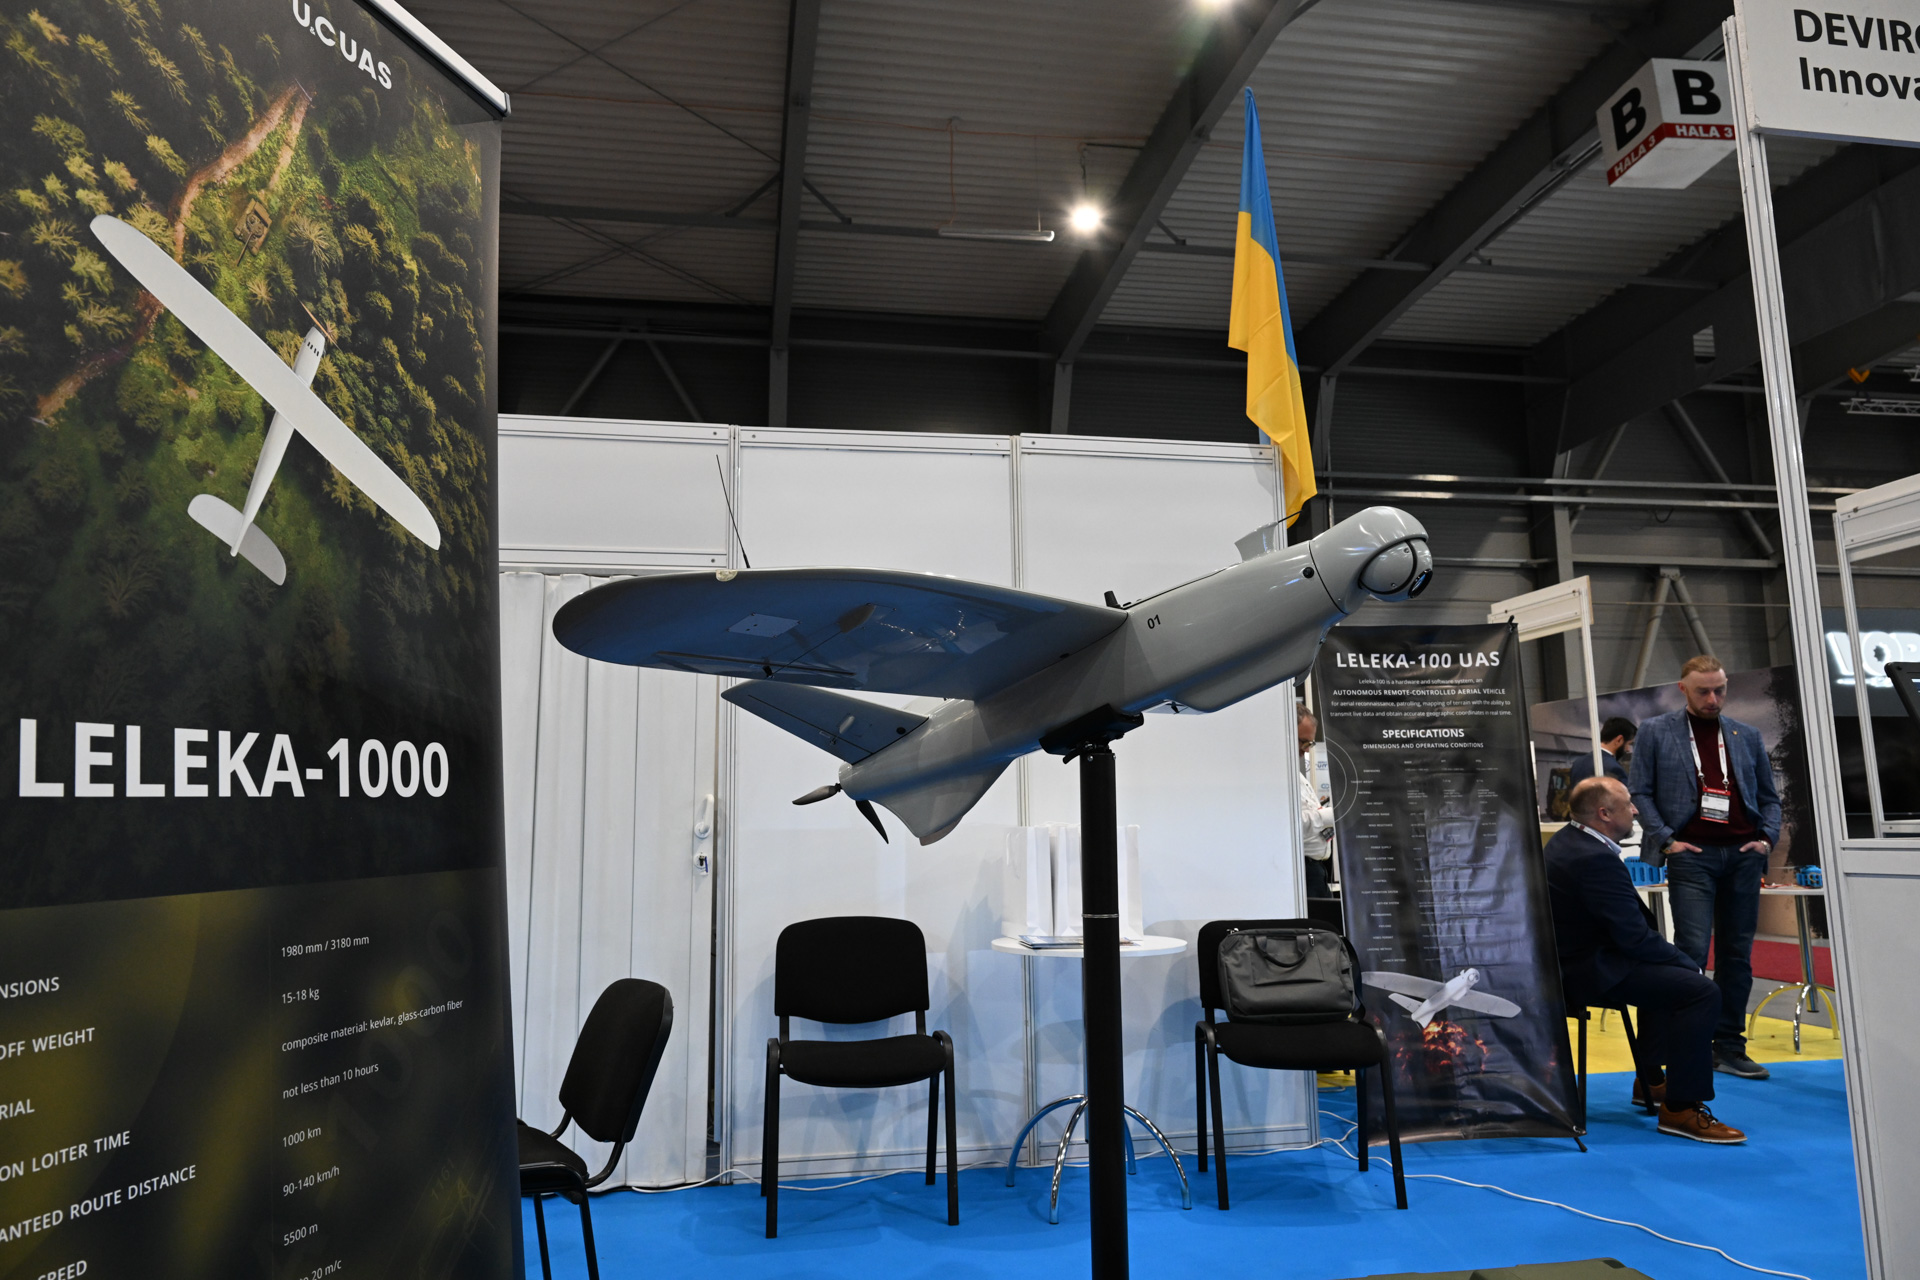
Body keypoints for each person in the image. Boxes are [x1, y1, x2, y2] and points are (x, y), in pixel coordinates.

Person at [1545, 777, 1745, 1143]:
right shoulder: (1593, 858)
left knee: (1667, 976)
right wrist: (1686, 962)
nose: (1636, 810)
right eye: (1628, 804)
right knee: (1699, 991)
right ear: (1605, 814)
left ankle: (1650, 1080)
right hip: (1589, 971)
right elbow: (1634, 938)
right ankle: (1681, 1108)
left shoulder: (1568, 841)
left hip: (1575, 961)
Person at [1628, 656, 1780, 1081]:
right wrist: (1668, 841)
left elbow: (1769, 797)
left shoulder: (1746, 735)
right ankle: (1681, 1047)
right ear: (1683, 689)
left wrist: (1766, 839)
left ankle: (1728, 1045)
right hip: (1692, 856)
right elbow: (1640, 791)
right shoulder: (1657, 731)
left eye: (1720, 690)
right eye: (1703, 691)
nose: (1713, 698)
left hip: (1743, 855)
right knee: (1690, 953)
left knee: (1736, 955)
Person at [1297, 709, 1335, 898]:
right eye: (1303, 742)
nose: (1306, 749)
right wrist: (1328, 816)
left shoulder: (1297, 777)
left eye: (1310, 743)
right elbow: (1293, 825)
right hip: (1302, 871)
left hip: (1316, 870)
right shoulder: (1275, 777)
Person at [1569, 715, 1636, 786]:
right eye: (1629, 744)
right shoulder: (1614, 768)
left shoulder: (1578, 763)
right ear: (1619, 740)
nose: (1628, 749)